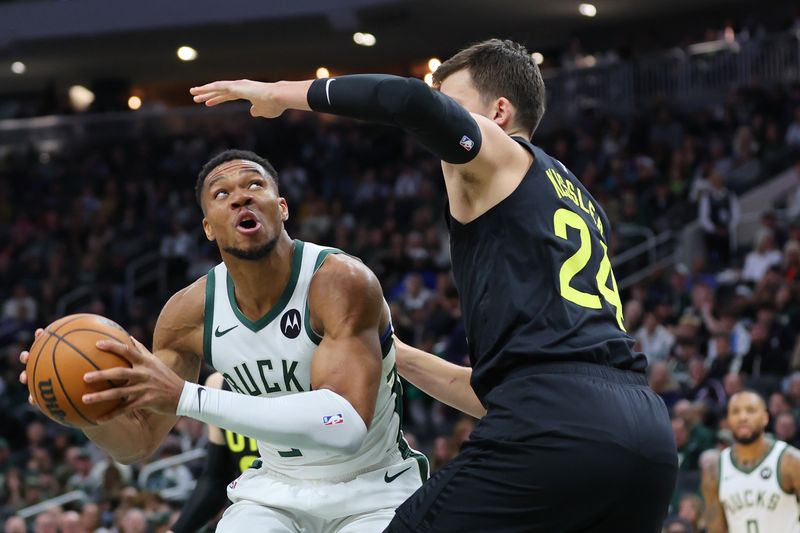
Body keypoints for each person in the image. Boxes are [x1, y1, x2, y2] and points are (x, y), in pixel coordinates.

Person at [190, 38, 677, 531]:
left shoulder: (498, 159)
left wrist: (281, 94)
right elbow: (512, 388)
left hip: (553, 425)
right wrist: (388, 351)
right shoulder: (580, 200)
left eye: (452, 103)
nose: (438, 128)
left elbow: (407, 101)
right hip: (643, 436)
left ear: (500, 112)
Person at [20, 149, 426, 532]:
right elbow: (138, 442)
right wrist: (83, 410)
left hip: (373, 488)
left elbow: (344, 426)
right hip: (276, 492)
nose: (240, 198)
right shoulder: (187, 315)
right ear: (208, 228)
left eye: (254, 185)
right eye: (222, 193)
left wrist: (187, 396)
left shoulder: (339, 281)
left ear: (281, 208)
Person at [169, 372, 259, 533]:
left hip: (302, 506)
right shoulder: (217, 384)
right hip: (249, 511)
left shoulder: (298, 373)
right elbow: (216, 478)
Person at [701, 390, 800, 532]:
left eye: (751, 410)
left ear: (765, 417)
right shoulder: (714, 470)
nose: (743, 417)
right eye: (735, 412)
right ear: (728, 420)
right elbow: (716, 528)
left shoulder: (790, 461)